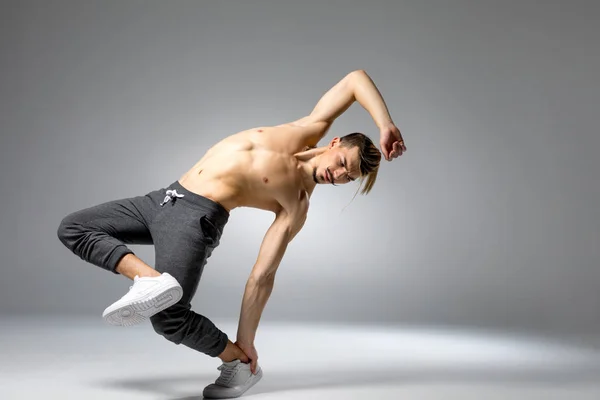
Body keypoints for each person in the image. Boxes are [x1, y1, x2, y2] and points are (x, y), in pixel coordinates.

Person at [57, 69, 406, 398]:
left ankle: (239, 362)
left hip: (194, 218)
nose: (340, 175)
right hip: (162, 198)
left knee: (168, 319)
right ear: (334, 144)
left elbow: (262, 276)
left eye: (350, 178)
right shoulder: (304, 129)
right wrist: (385, 124)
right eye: (344, 163)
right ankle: (147, 278)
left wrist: (246, 340)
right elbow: (356, 79)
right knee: (74, 227)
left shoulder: (296, 205)